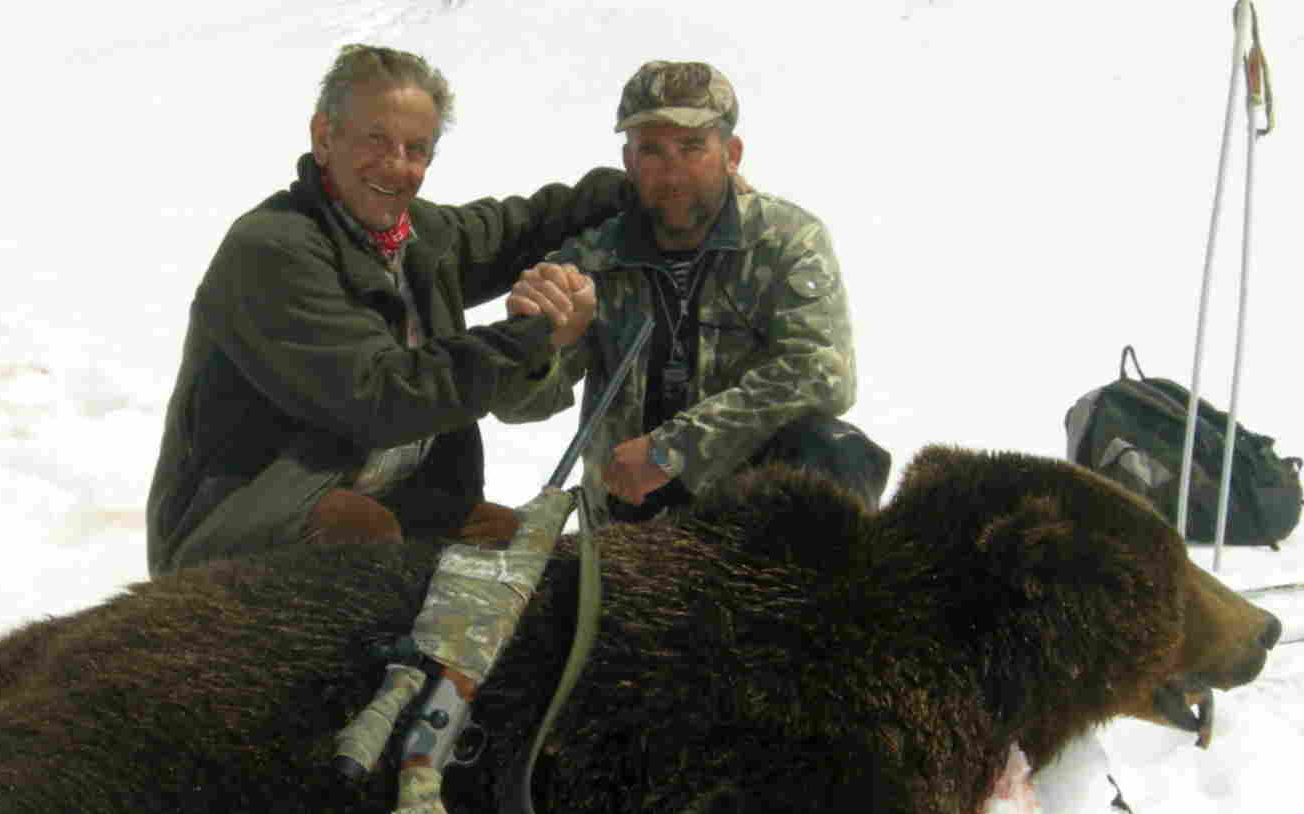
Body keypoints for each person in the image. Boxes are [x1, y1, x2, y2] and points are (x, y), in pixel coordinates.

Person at [145, 44, 621, 575]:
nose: (396, 166)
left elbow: (525, 224)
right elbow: (382, 397)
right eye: (376, 140)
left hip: (388, 498)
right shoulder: (273, 249)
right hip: (242, 516)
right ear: (325, 138)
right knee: (362, 535)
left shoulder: (420, 236)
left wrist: (636, 189)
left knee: (508, 545)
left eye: (416, 149)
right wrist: (531, 337)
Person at [499, 60, 890, 519]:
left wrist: (674, 451)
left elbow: (823, 375)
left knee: (835, 449)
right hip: (628, 511)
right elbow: (515, 409)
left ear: (732, 153)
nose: (673, 172)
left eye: (692, 147)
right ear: (628, 162)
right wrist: (539, 348)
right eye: (652, 151)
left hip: (753, 503)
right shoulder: (588, 262)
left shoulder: (787, 240)